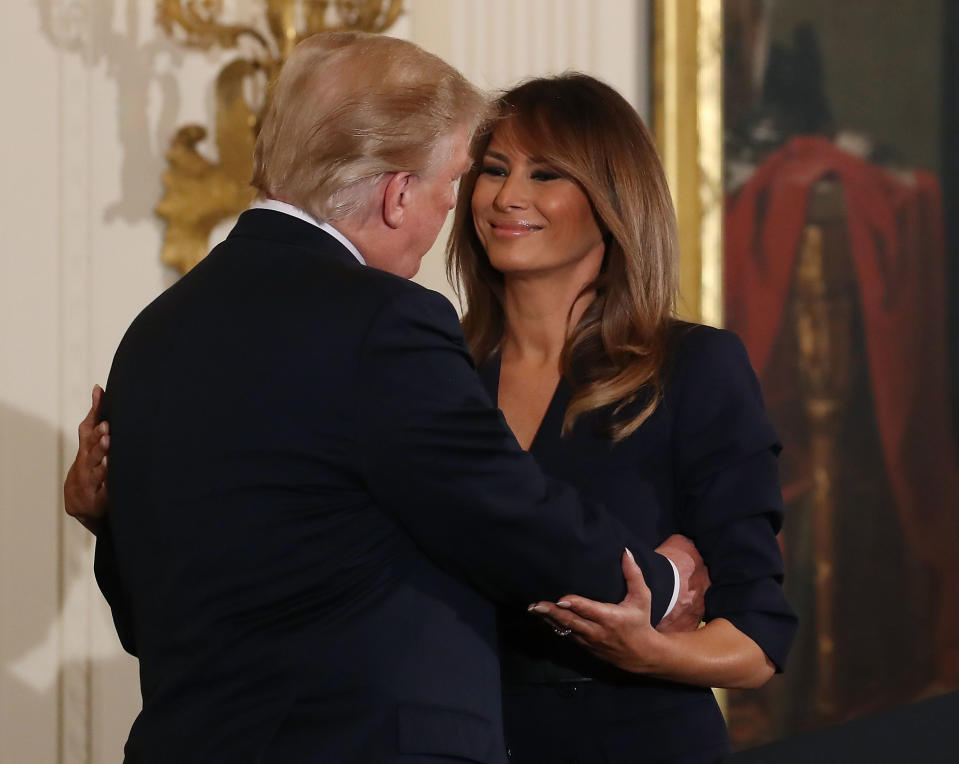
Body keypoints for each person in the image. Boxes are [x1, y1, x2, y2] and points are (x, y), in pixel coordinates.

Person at [64, 34, 707, 763]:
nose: (451, 218)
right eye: (453, 186)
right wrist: (658, 581)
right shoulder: (381, 321)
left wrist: (99, 522)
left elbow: (153, 615)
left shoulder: (153, 335)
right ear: (398, 194)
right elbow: (504, 511)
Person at [444, 73, 797, 762]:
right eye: (492, 169)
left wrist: (649, 651)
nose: (506, 196)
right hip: (459, 739)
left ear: (611, 200)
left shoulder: (693, 368)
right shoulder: (432, 376)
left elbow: (756, 642)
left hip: (638, 740)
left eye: (545, 173)